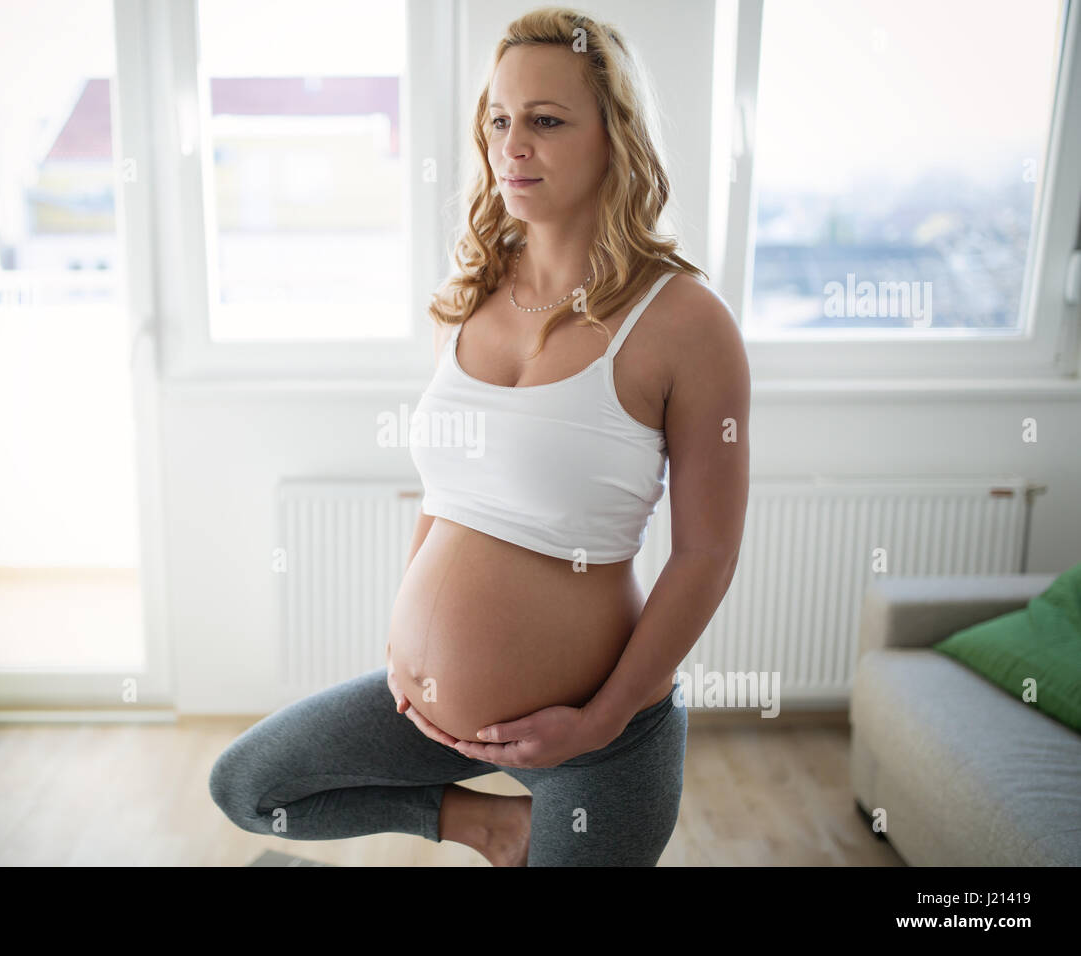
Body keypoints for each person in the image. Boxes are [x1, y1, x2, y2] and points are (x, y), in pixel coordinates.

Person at [209, 6, 750, 866]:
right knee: (250, 786)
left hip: (597, 734)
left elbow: (707, 554)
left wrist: (599, 718)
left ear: (614, 137)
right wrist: (407, 641)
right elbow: (449, 490)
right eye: (499, 120)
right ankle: (493, 829)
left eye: (545, 120)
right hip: (423, 711)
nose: (512, 145)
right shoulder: (471, 295)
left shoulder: (685, 322)